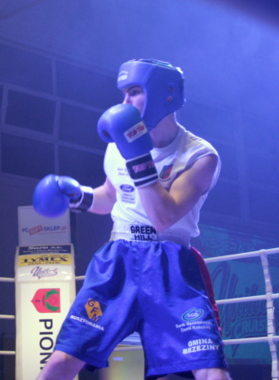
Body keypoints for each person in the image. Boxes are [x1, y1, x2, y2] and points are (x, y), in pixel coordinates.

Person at [32, 59, 231, 380]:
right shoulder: (117, 146)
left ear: (165, 95)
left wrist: (137, 155)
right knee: (62, 360)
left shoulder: (199, 155)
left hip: (170, 264)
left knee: (210, 369)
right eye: (123, 92)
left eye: (135, 91)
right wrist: (78, 196)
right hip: (118, 259)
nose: (125, 101)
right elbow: (112, 195)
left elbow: (164, 216)